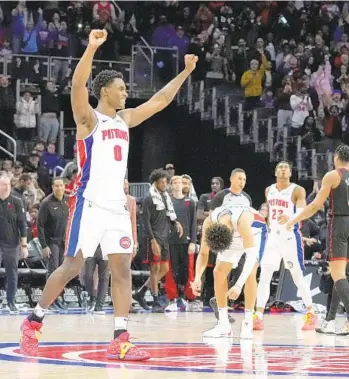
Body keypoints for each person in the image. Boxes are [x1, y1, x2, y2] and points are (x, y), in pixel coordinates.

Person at [20, 29, 198, 359]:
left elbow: (159, 101)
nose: (126, 93)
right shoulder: (89, 120)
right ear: (105, 91)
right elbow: (77, 87)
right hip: (89, 203)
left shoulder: (125, 119)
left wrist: (185, 72)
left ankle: (121, 336)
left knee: (122, 270)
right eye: (121, 88)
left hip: (117, 206)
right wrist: (90, 48)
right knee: (72, 267)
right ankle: (33, 321)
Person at [286, 145, 349, 335]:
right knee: (341, 276)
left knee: (337, 274)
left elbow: (315, 206)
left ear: (336, 157)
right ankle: (329, 321)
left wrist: (293, 219)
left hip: (339, 223)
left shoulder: (333, 175)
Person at [255, 161, 316, 331]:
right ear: (275, 172)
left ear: (290, 173)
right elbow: (270, 215)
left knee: (297, 277)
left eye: (286, 168)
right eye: (280, 168)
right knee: (265, 275)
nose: (283, 170)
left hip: (290, 237)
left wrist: (289, 217)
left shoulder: (297, 190)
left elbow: (303, 212)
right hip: (273, 237)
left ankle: (311, 313)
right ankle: (258, 315)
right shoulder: (269, 190)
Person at [191, 203, 267, 338]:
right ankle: (224, 324)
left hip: (255, 232)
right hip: (232, 233)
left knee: (250, 273)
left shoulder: (242, 221)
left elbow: (250, 258)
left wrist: (238, 286)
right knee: (218, 271)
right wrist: (197, 277)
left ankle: (248, 322)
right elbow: (203, 254)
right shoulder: (209, 222)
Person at [134, 169, 183, 312]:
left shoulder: (165, 196)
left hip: (164, 237)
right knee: (154, 270)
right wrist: (152, 240)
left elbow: (169, 215)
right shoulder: (149, 198)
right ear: (155, 182)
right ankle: (155, 300)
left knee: (165, 268)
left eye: (165, 181)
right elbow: (145, 221)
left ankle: (141, 293)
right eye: (161, 182)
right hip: (153, 238)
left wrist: (176, 223)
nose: (164, 184)